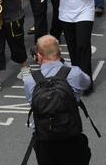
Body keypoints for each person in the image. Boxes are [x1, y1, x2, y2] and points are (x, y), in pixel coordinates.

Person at [24, 35, 92, 165]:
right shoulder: (74, 73)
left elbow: (31, 102)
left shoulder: (30, 80)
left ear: (39, 56)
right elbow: (87, 83)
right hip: (71, 137)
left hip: (44, 140)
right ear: (59, 52)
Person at [49, 0, 96, 95]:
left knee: (83, 46)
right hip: (66, 13)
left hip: (84, 11)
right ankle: (77, 79)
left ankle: (87, 82)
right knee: (73, 48)